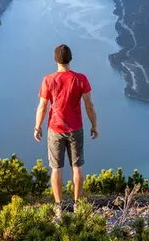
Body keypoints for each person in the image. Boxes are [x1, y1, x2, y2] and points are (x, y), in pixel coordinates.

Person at [34, 44, 98, 215]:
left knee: (56, 168)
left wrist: (37, 127)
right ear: (70, 58)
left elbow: (42, 106)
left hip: (55, 129)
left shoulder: (48, 80)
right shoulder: (80, 78)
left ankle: (58, 206)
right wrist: (94, 125)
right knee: (77, 167)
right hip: (75, 129)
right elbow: (89, 105)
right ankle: (77, 204)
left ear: (55, 60)